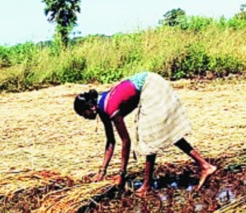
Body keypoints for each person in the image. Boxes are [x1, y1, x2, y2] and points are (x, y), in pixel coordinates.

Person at [73, 72, 216, 195]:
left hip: (152, 86)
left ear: (90, 107)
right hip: (147, 86)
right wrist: (102, 171)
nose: (84, 118)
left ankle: (147, 185)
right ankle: (205, 166)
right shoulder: (101, 108)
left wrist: (122, 174)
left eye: (83, 114)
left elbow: (125, 141)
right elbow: (110, 142)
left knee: (149, 136)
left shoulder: (109, 107)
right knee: (159, 133)